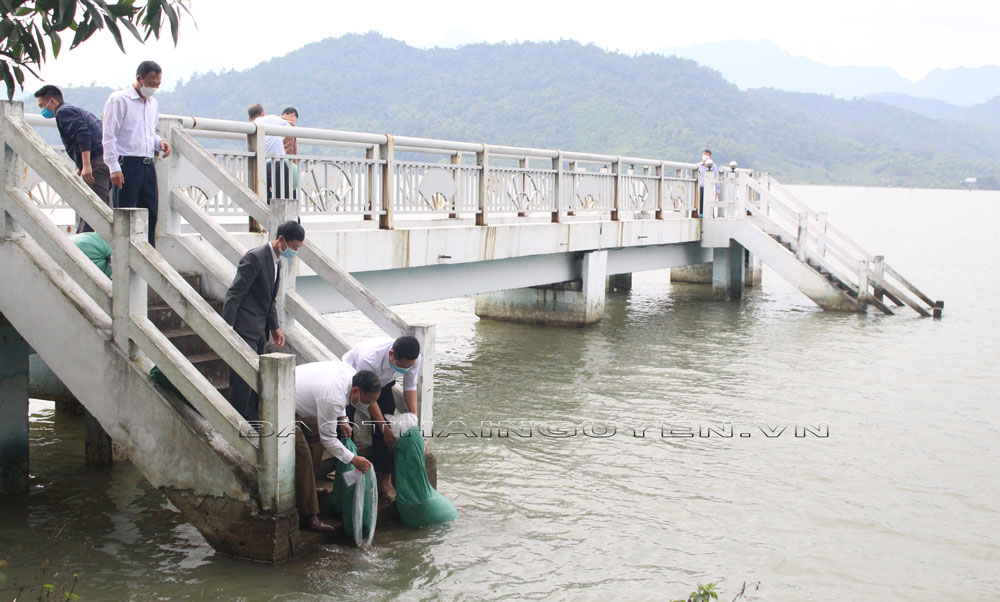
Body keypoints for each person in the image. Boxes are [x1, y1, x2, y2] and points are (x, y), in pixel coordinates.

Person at [221, 220, 305, 422]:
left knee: (256, 380)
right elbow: (235, 293)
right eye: (293, 247)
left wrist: (275, 328)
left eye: (298, 248)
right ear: (281, 240)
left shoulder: (278, 262)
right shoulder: (255, 258)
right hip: (243, 328)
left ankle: (252, 420)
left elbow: (270, 299)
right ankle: (238, 422)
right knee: (241, 381)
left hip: (259, 331)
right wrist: (227, 327)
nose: (294, 252)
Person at [293, 363, 379, 532]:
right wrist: (353, 459)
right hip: (282, 403)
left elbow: (339, 404)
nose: (367, 405)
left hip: (303, 400)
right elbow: (329, 440)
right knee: (302, 456)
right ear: (356, 391)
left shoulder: (351, 376)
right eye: (366, 401)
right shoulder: (332, 398)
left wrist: (343, 420)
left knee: (315, 442)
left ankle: (308, 490)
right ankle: (308, 515)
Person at [342, 336, 421, 500]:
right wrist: (384, 427)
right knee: (346, 425)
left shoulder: (413, 358)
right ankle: (344, 468)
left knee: (386, 430)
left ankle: (385, 477)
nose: (405, 369)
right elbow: (369, 398)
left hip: (384, 384)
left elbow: (410, 385)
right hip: (355, 381)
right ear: (392, 354)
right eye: (401, 366)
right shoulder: (369, 358)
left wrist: (414, 415)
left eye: (409, 366)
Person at [102, 60, 170, 247]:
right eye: (150, 83)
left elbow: (148, 132)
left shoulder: (153, 104)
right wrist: (114, 167)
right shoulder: (119, 100)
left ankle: (149, 257)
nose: (154, 88)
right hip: (126, 164)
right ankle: (124, 255)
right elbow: (109, 136)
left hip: (147, 164)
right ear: (139, 79)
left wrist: (159, 143)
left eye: (157, 84)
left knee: (150, 213)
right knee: (126, 214)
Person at [34, 85, 112, 233]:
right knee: (92, 208)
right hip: (103, 159)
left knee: (96, 212)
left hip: (96, 163)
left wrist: (87, 165)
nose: (42, 110)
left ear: (52, 101)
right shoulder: (72, 110)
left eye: (42, 106)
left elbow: (83, 135)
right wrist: (80, 166)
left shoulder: (64, 112)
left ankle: (87, 251)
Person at [247, 104, 293, 202]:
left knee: (261, 195)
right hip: (278, 162)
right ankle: (285, 216)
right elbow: (290, 130)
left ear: (249, 118)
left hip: (260, 166)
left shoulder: (251, 126)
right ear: (263, 113)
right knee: (283, 197)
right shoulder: (272, 118)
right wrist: (281, 139)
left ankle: (265, 213)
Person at [697, 149, 720, 218]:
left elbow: (716, 177)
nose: (705, 156)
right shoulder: (698, 165)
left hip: (709, 188)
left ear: (710, 156)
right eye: (704, 154)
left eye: (707, 154)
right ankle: (700, 215)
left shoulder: (713, 166)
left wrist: (717, 189)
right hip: (700, 187)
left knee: (709, 203)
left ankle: (710, 216)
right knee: (699, 202)